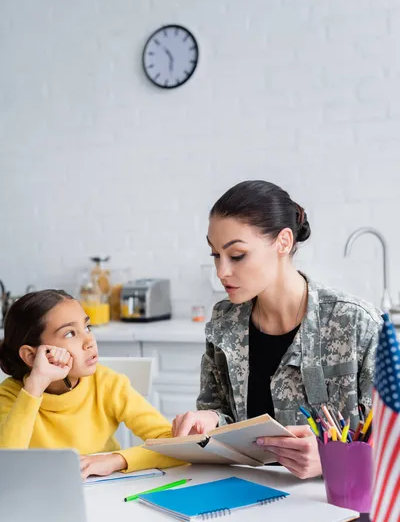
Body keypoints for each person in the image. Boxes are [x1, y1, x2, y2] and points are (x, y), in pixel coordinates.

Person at [172, 180, 382, 479]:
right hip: (247, 498)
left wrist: (334, 459)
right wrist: (208, 420)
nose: (222, 271)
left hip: (335, 504)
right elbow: (225, 418)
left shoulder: (357, 324)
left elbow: (392, 444)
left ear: (283, 242)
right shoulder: (223, 322)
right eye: (215, 255)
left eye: (237, 255)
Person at [0, 289, 182, 479]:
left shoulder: (107, 384)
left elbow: (175, 447)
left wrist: (115, 460)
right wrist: (34, 387)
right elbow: (5, 468)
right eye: (70, 333)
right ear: (31, 356)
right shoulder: (10, 396)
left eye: (87, 327)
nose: (89, 341)